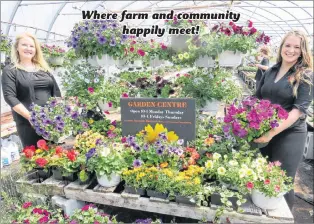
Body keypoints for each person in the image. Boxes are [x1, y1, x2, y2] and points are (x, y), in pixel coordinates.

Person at [255, 30, 313, 210]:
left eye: (297, 47)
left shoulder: (305, 75)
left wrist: (270, 133)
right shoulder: (272, 70)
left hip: (288, 134)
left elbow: (298, 111)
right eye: (288, 45)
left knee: (281, 182)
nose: (291, 50)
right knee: (262, 177)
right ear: (281, 47)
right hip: (265, 130)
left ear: (303, 50)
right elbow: (257, 98)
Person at [1, 32, 61, 148]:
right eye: (24, 45)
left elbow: (56, 92)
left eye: (32, 46)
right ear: (17, 47)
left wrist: (58, 114)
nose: (28, 48)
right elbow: (10, 97)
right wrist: (31, 117)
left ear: (36, 49)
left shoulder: (44, 69)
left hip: (50, 121)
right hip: (28, 122)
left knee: (53, 154)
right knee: (35, 157)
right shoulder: (10, 71)